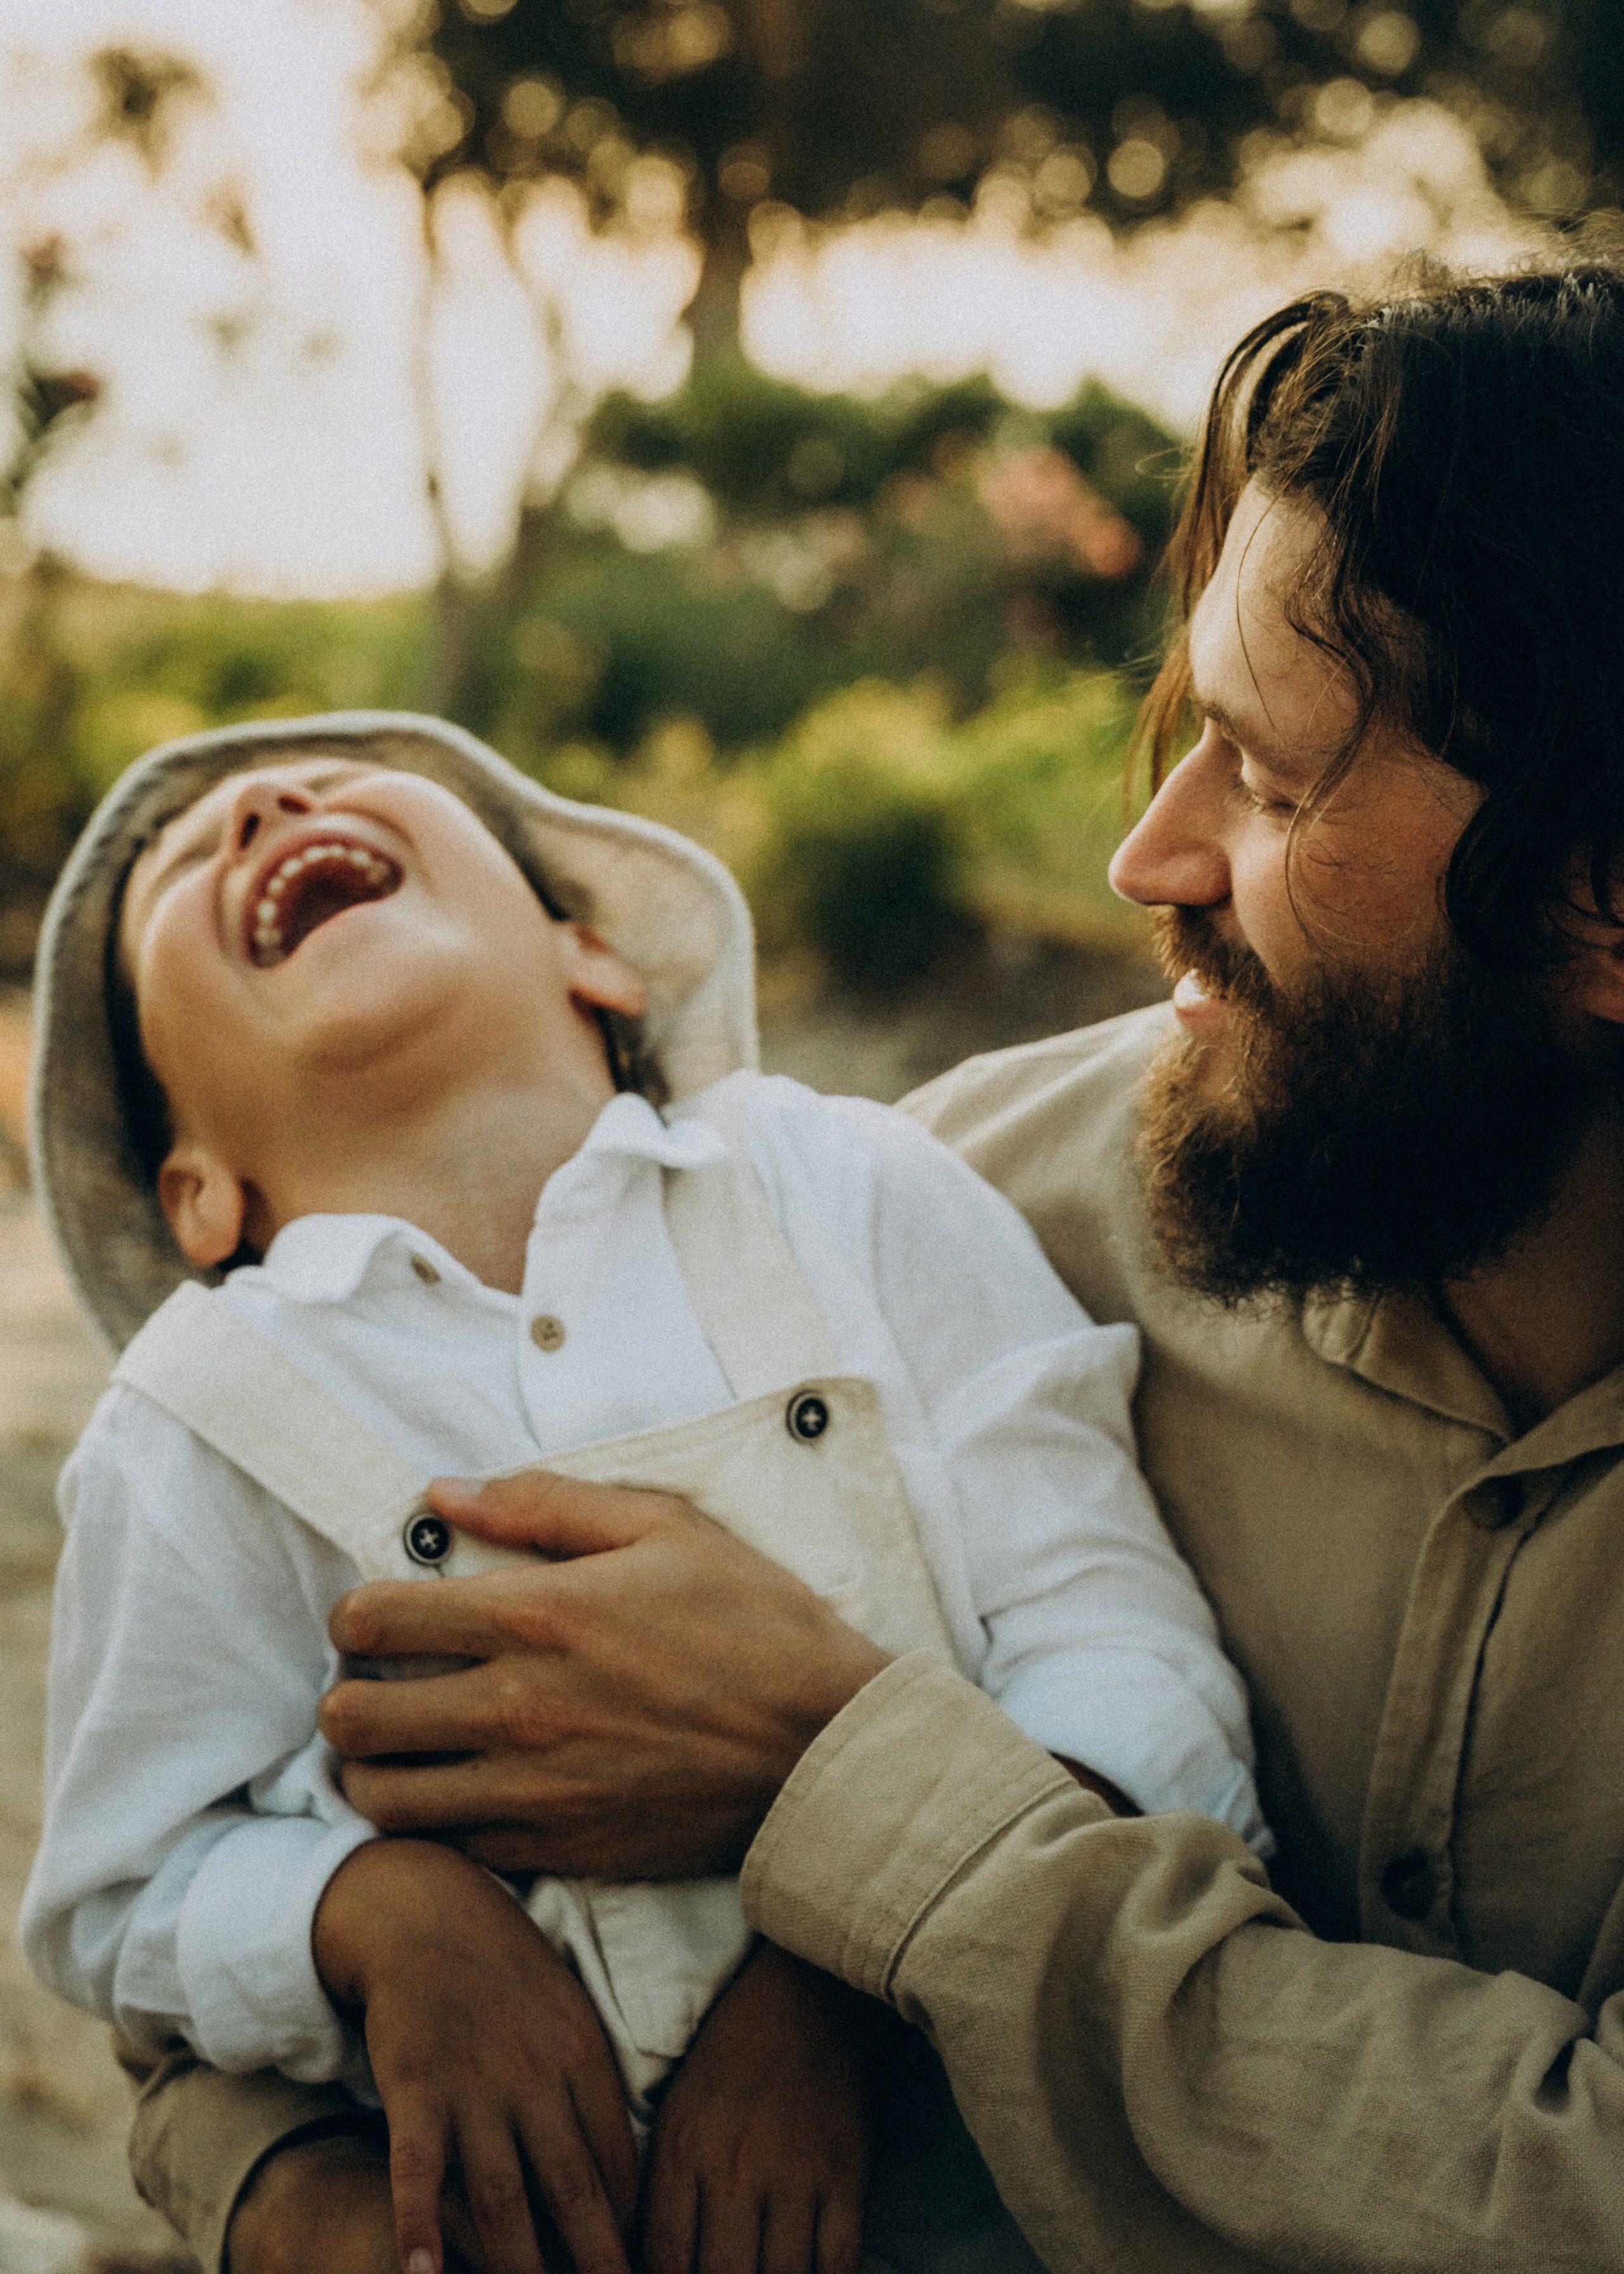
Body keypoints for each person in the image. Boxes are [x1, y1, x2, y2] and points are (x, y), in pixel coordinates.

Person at [102, 253, 1624, 2273]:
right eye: (1189, 734)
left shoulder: (884, 1232)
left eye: (1267, 782)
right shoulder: (988, 1196)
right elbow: (163, 1926)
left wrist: (841, 1821)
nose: (1143, 863)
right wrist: (286, 2190)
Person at [22, 713, 1270, 2274]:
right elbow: (119, 1895)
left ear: (593, 960)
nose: (265, 803)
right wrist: (371, 1914)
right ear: (196, 1185)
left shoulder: (848, 1190)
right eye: (181, 867)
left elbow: (1129, 1662)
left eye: (336, 787)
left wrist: (858, 1965)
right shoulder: (187, 1425)